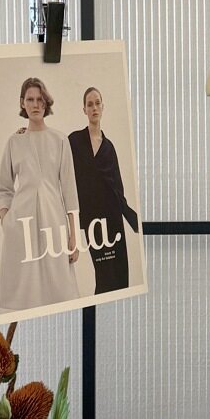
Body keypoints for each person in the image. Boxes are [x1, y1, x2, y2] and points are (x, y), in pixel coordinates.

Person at [0, 77, 79, 312]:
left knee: (61, 294)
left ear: (46, 103)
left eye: (40, 99)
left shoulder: (60, 139)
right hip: (21, 226)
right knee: (19, 298)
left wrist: (74, 236)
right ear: (22, 103)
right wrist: (6, 219)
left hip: (54, 224)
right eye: (30, 99)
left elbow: (70, 190)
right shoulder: (14, 141)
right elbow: (3, 187)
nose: (35, 104)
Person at [68, 86, 138, 293]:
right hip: (93, 220)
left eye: (97, 103)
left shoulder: (109, 147)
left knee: (119, 276)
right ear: (84, 109)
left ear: (103, 107)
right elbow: (55, 153)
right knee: (104, 275)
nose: (94, 108)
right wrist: (27, 133)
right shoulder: (74, 140)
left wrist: (133, 220)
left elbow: (118, 190)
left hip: (113, 218)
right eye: (90, 104)